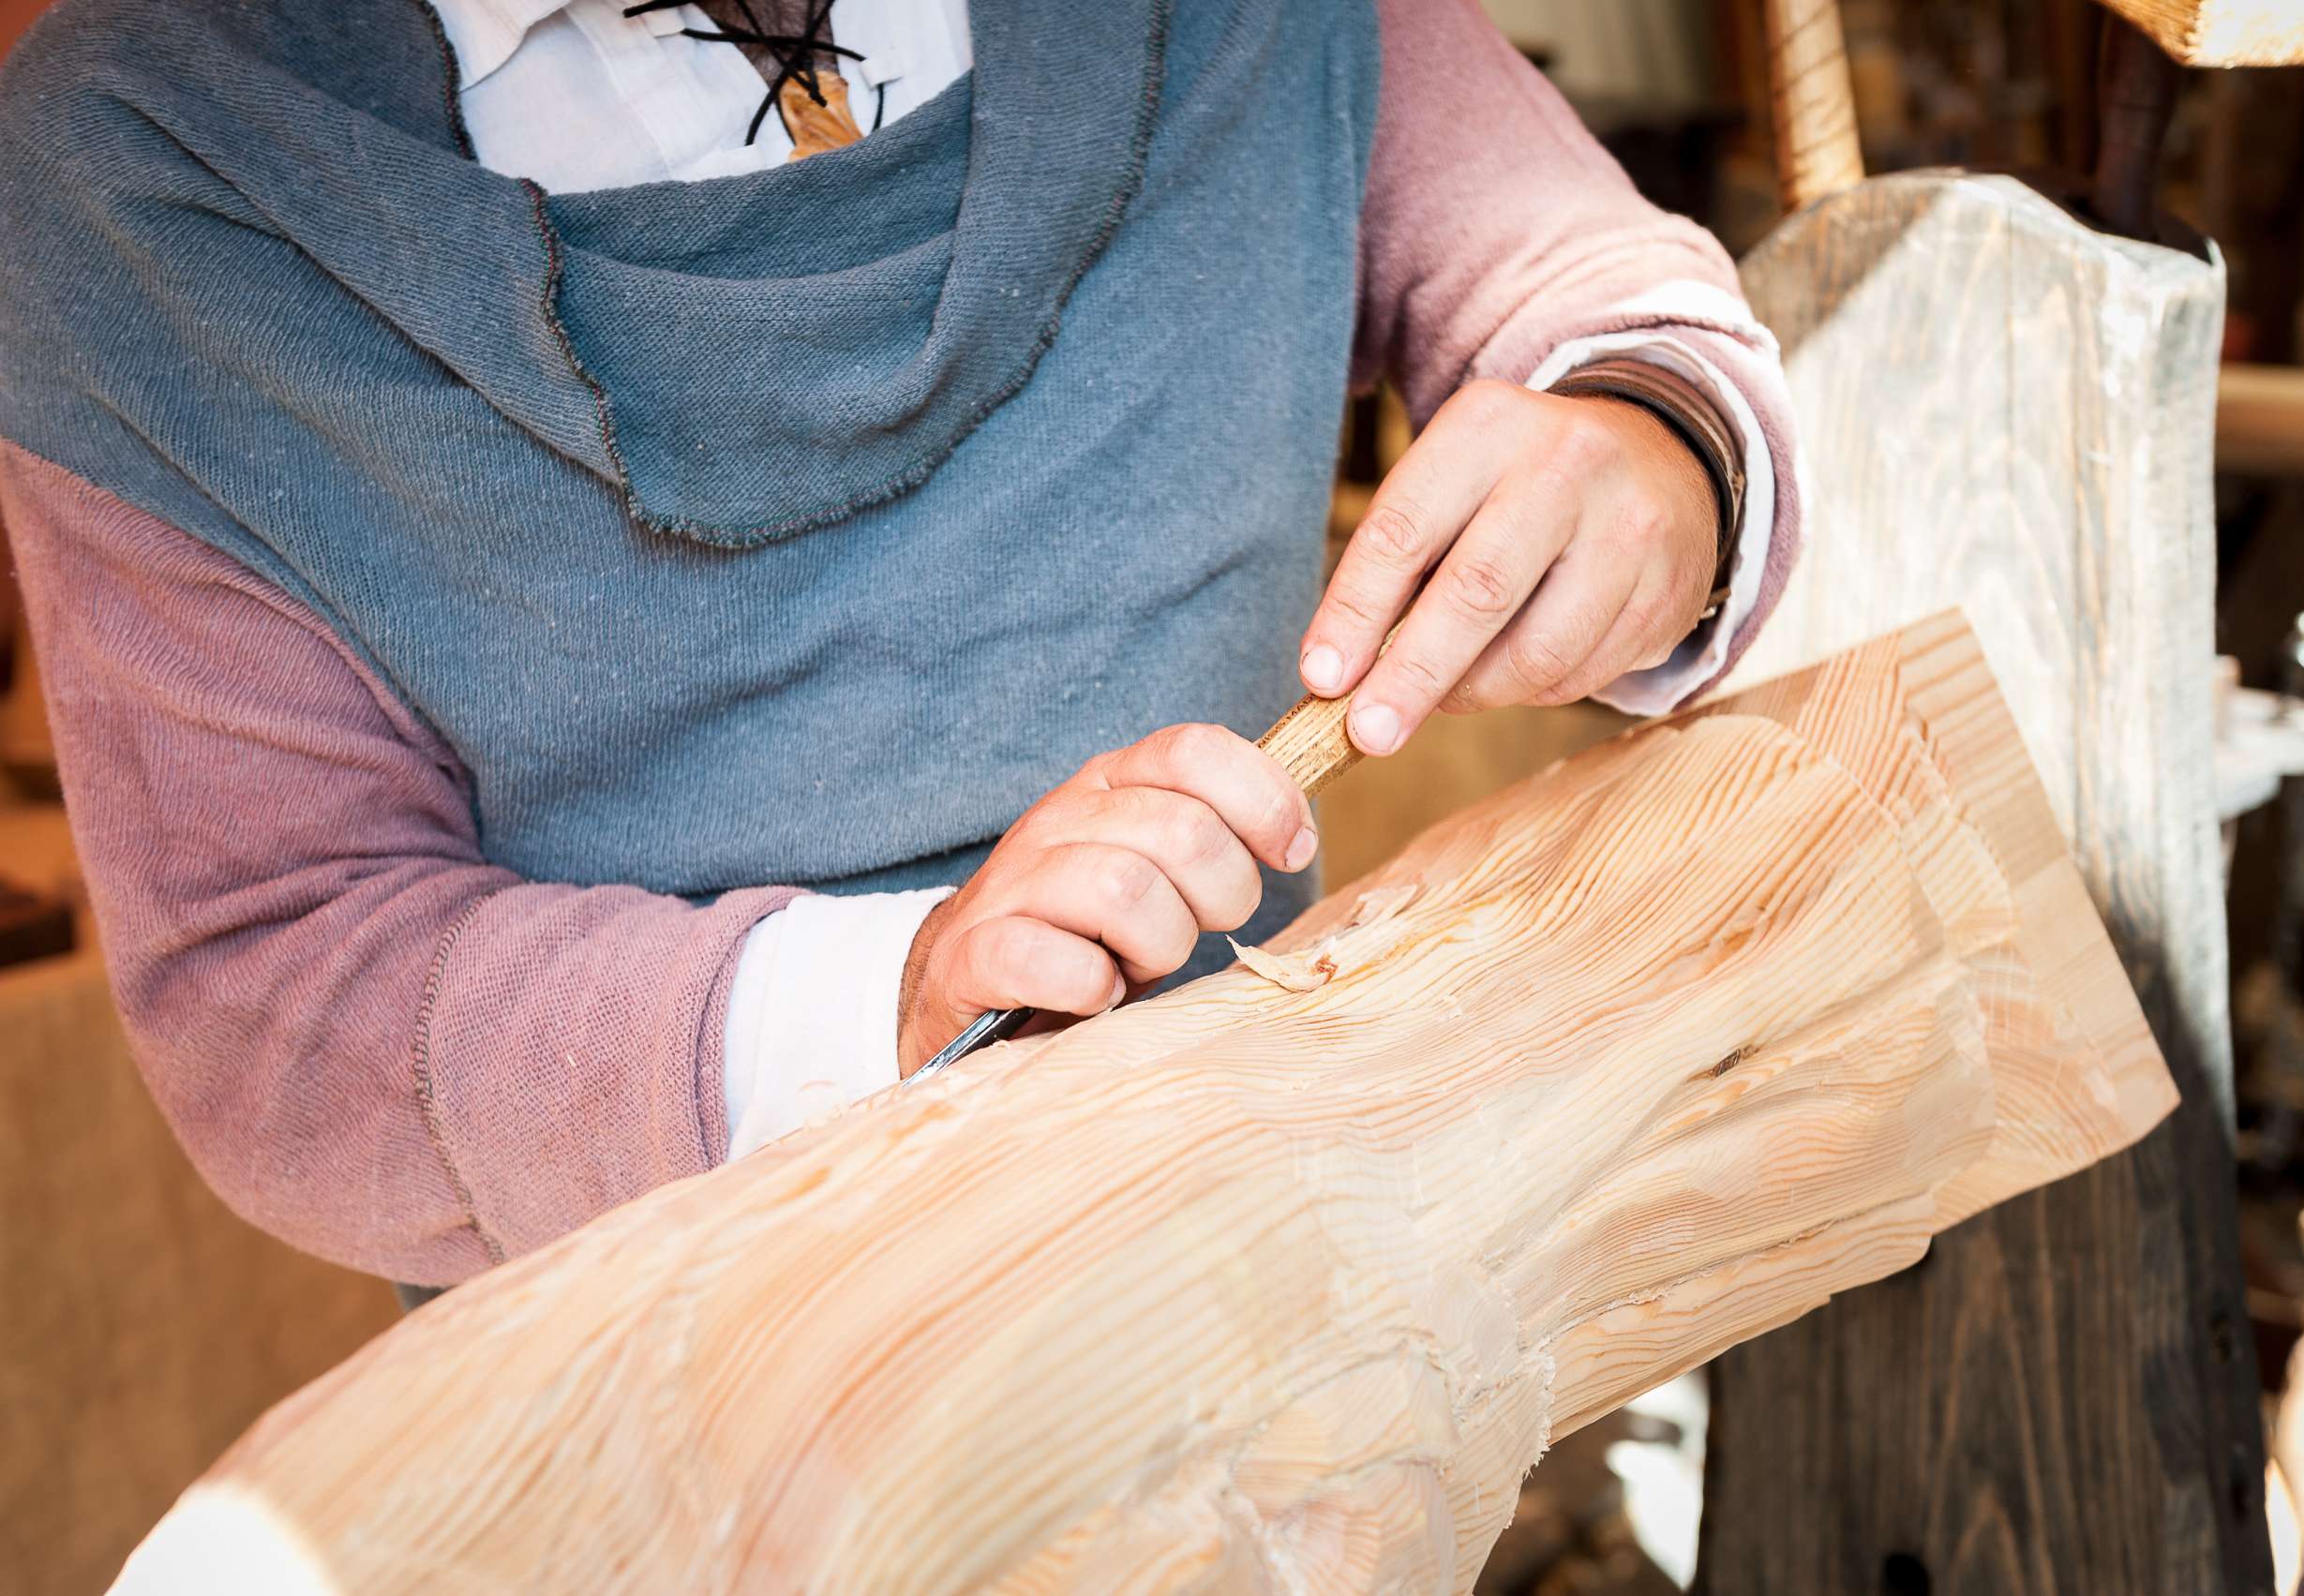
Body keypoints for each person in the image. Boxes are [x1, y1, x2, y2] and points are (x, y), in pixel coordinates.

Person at [0, 0, 1801, 1289]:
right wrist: (885, 1001)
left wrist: (1654, 450)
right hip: (682, 1439)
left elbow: (1581, 288)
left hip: (1283, 1294)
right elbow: (278, 994)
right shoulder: (150, 158)